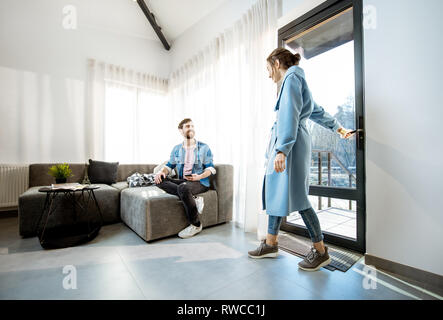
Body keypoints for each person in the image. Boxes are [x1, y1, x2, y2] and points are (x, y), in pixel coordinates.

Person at [248, 48, 356, 271]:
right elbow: (316, 110)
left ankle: (320, 250)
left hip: (291, 145)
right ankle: (271, 243)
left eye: (268, 69)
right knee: (276, 193)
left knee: (298, 196)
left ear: (277, 63)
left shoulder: (292, 78)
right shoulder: (295, 80)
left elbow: (289, 116)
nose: (269, 75)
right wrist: (338, 128)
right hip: (289, 144)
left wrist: (282, 150)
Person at [154, 118, 216, 239]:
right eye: (187, 126)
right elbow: (169, 166)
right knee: (158, 180)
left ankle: (196, 224)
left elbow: (211, 169)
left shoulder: (204, 147)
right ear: (181, 130)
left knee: (183, 188)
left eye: (192, 126)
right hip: (184, 182)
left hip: (199, 182)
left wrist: (200, 176)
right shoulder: (176, 149)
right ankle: (194, 198)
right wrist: (161, 172)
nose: (191, 128)